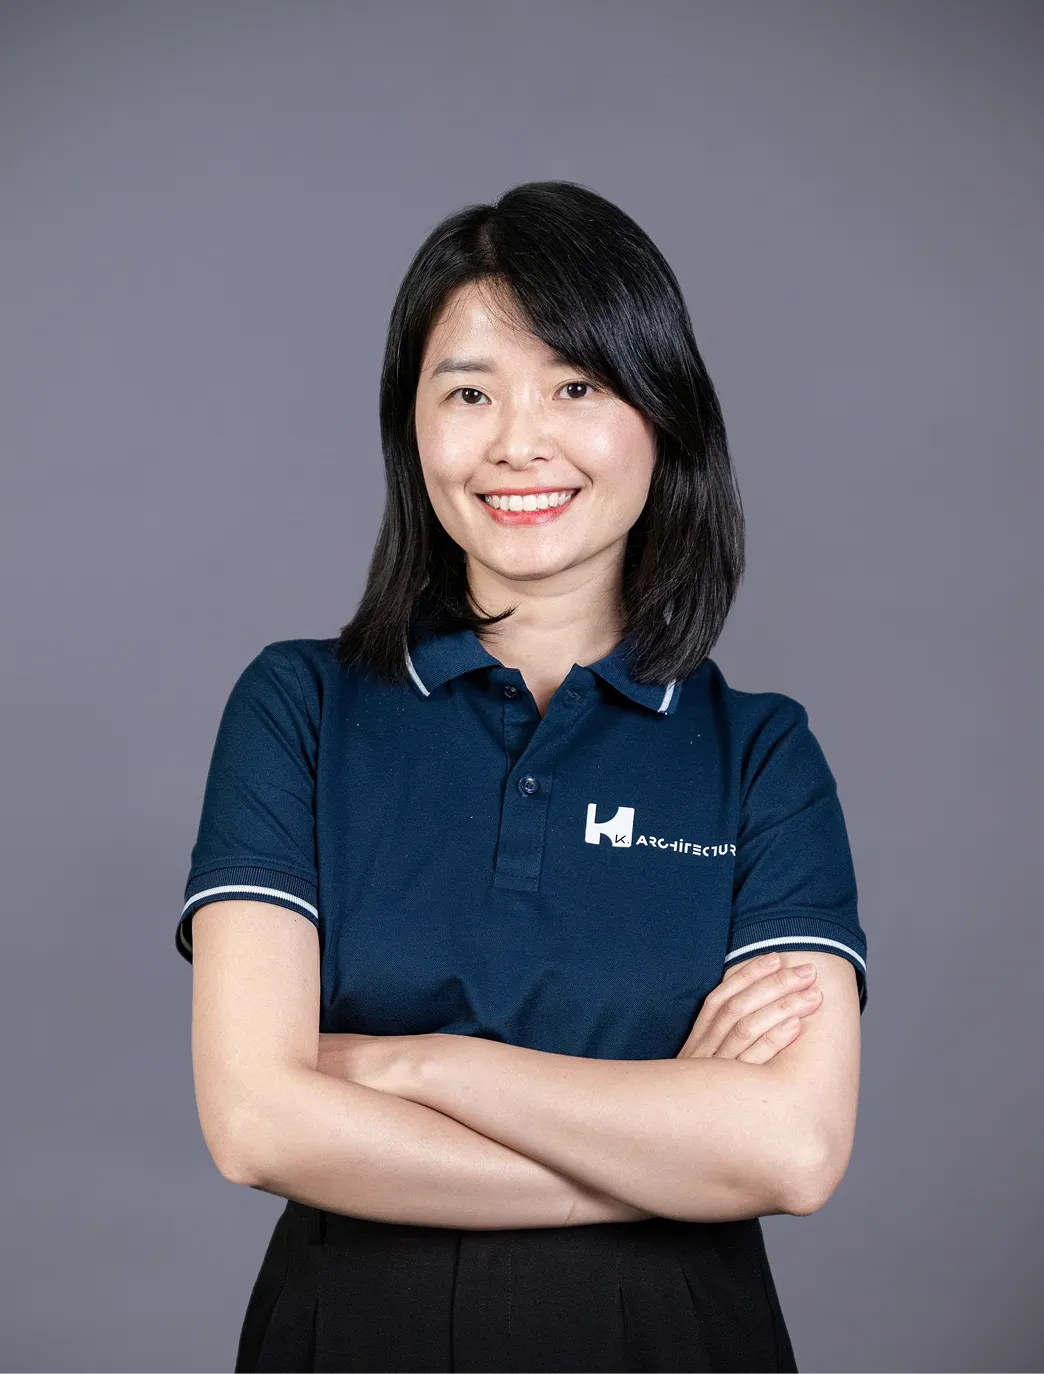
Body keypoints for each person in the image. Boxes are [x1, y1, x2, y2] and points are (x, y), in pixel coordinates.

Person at [176, 180, 867, 1373]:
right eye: (469, 392)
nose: (517, 442)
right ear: (412, 428)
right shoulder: (298, 708)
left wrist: (413, 1065)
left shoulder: (762, 756)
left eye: (576, 386)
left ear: (663, 413)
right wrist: (661, 1151)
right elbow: (256, 1124)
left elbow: (793, 1150)